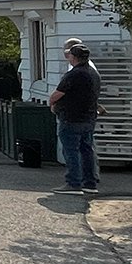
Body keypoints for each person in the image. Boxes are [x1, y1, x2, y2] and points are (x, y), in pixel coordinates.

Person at [49, 44, 101, 195]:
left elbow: (58, 93)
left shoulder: (74, 74)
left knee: (71, 151)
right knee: (87, 150)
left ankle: (74, 183)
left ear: (74, 57)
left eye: (70, 55)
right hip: (89, 117)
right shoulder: (93, 73)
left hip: (71, 117)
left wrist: (52, 103)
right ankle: (89, 183)